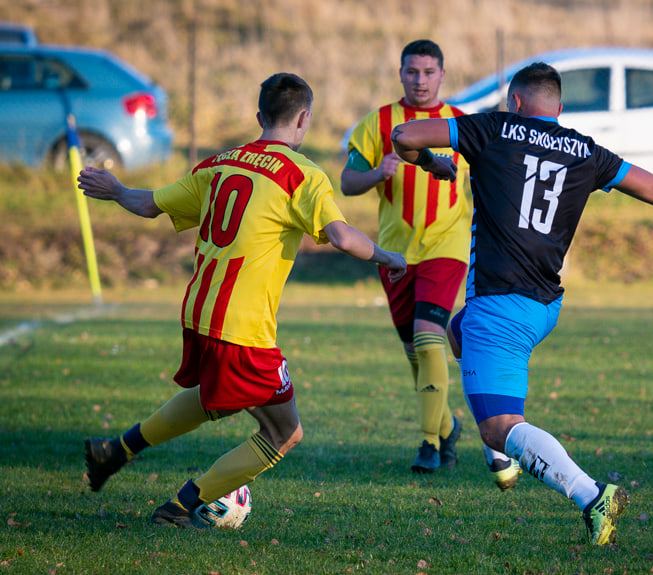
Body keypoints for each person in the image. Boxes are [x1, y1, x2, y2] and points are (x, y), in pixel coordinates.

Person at [390, 62, 653, 545]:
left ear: (515, 103)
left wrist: (431, 163)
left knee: (500, 425)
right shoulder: (585, 150)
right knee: (456, 332)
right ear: (559, 109)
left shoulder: (493, 128)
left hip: (501, 308)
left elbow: (405, 133)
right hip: (544, 306)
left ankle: (588, 494)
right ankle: (502, 443)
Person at [78, 72, 407, 529]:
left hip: (199, 312)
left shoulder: (219, 164)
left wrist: (114, 190)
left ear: (259, 117)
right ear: (304, 119)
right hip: (242, 327)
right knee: (283, 433)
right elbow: (341, 236)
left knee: (217, 399)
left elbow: (150, 204)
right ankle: (180, 507)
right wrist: (390, 257)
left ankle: (117, 450)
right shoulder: (302, 175)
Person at [340, 39, 471, 474]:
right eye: (412, 72)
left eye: (428, 72)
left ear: (442, 75)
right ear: (400, 73)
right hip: (395, 253)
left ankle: (429, 444)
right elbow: (347, 182)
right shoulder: (378, 123)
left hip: (446, 246)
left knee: (429, 335)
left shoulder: (463, 123)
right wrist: (378, 172)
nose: (420, 80)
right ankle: (449, 425)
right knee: (416, 352)